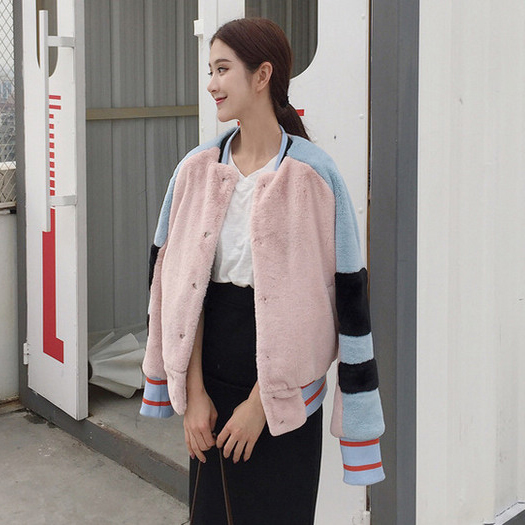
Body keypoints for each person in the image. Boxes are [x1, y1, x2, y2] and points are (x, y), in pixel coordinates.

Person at [140, 17, 385, 525]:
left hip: (287, 397)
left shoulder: (314, 176)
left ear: (262, 75)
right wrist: (194, 395)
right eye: (210, 70)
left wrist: (261, 405)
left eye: (222, 69)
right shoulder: (195, 170)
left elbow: (342, 301)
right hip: (211, 379)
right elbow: (176, 288)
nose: (211, 83)